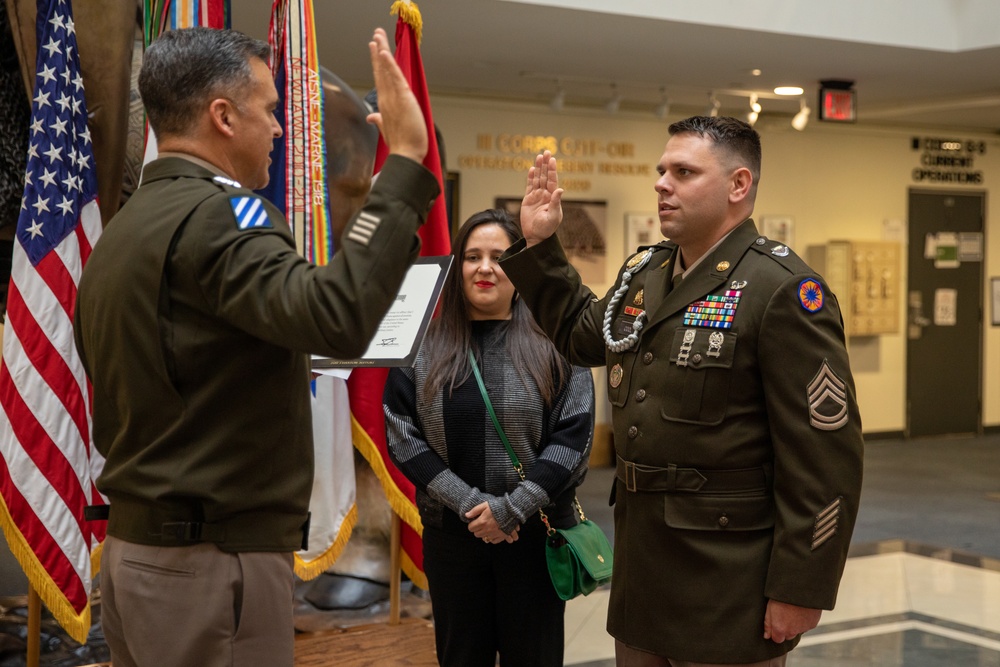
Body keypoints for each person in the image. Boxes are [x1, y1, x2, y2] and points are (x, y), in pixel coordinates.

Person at [72, 26, 439, 667]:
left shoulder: (128, 222)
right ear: (222, 115)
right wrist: (405, 161)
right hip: (211, 568)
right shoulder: (221, 215)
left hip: (142, 555)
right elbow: (336, 316)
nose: (278, 129)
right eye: (269, 110)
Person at [500, 116, 865, 667]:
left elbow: (825, 460)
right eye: (661, 170)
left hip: (728, 575)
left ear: (738, 186)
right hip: (645, 567)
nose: (662, 183)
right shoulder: (645, 273)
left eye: (684, 172)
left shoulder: (781, 289)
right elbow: (580, 336)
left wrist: (801, 588)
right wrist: (540, 245)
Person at [383, 209, 596, 667]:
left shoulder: (558, 344)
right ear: (455, 266)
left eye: (499, 257)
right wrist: (470, 503)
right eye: (472, 256)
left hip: (535, 538)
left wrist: (511, 508)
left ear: (518, 268)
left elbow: (573, 439)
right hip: (452, 541)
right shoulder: (420, 346)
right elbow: (403, 437)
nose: (484, 267)